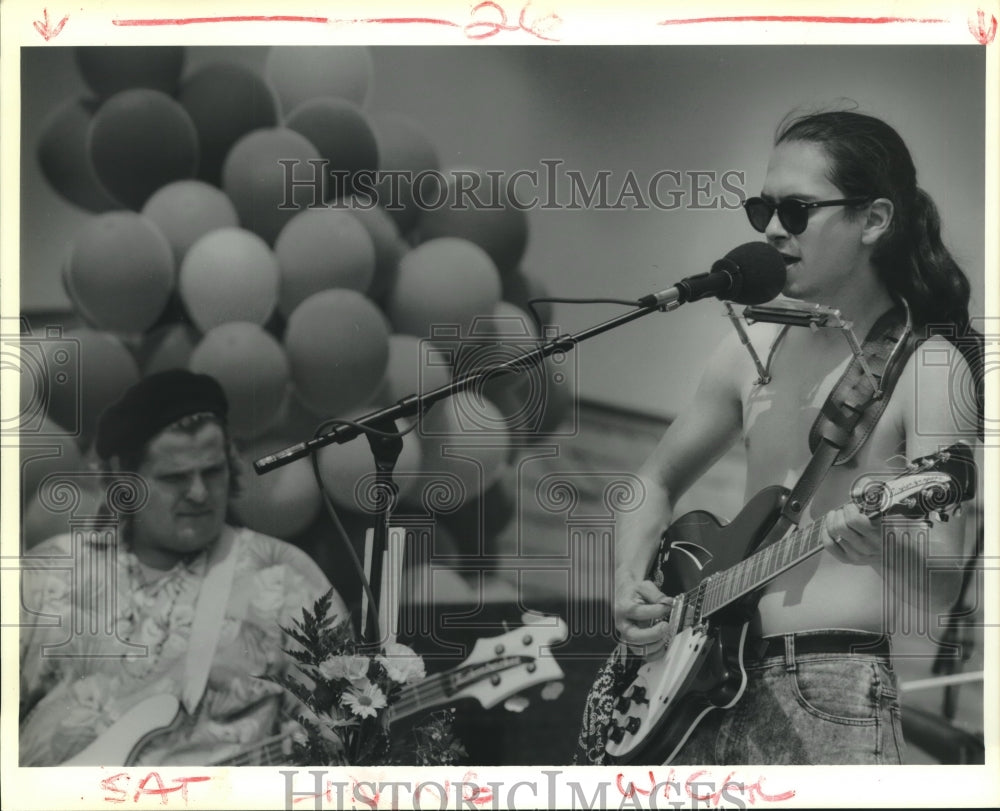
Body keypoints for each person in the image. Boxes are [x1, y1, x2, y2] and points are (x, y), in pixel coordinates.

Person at [581, 109, 981, 765]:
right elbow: (650, 480)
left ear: (874, 220)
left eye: (796, 210)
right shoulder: (752, 345)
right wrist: (627, 581)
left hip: (828, 688)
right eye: (762, 208)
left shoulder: (931, 365)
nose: (771, 229)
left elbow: (941, 582)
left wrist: (883, 543)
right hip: (698, 678)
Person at [19, 369, 347, 766]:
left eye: (212, 472)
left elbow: (346, 725)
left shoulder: (280, 574)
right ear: (125, 480)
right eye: (175, 478)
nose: (199, 493)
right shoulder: (48, 572)